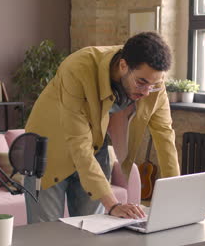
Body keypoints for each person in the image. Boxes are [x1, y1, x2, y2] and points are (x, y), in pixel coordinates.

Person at [24, 32, 180, 223]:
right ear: (123, 66)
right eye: (141, 82)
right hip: (47, 150)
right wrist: (113, 205)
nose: (147, 92)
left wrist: (175, 196)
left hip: (95, 147)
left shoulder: (152, 80)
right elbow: (78, 143)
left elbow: (165, 136)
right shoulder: (77, 69)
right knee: (45, 235)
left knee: (92, 230)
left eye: (154, 85)